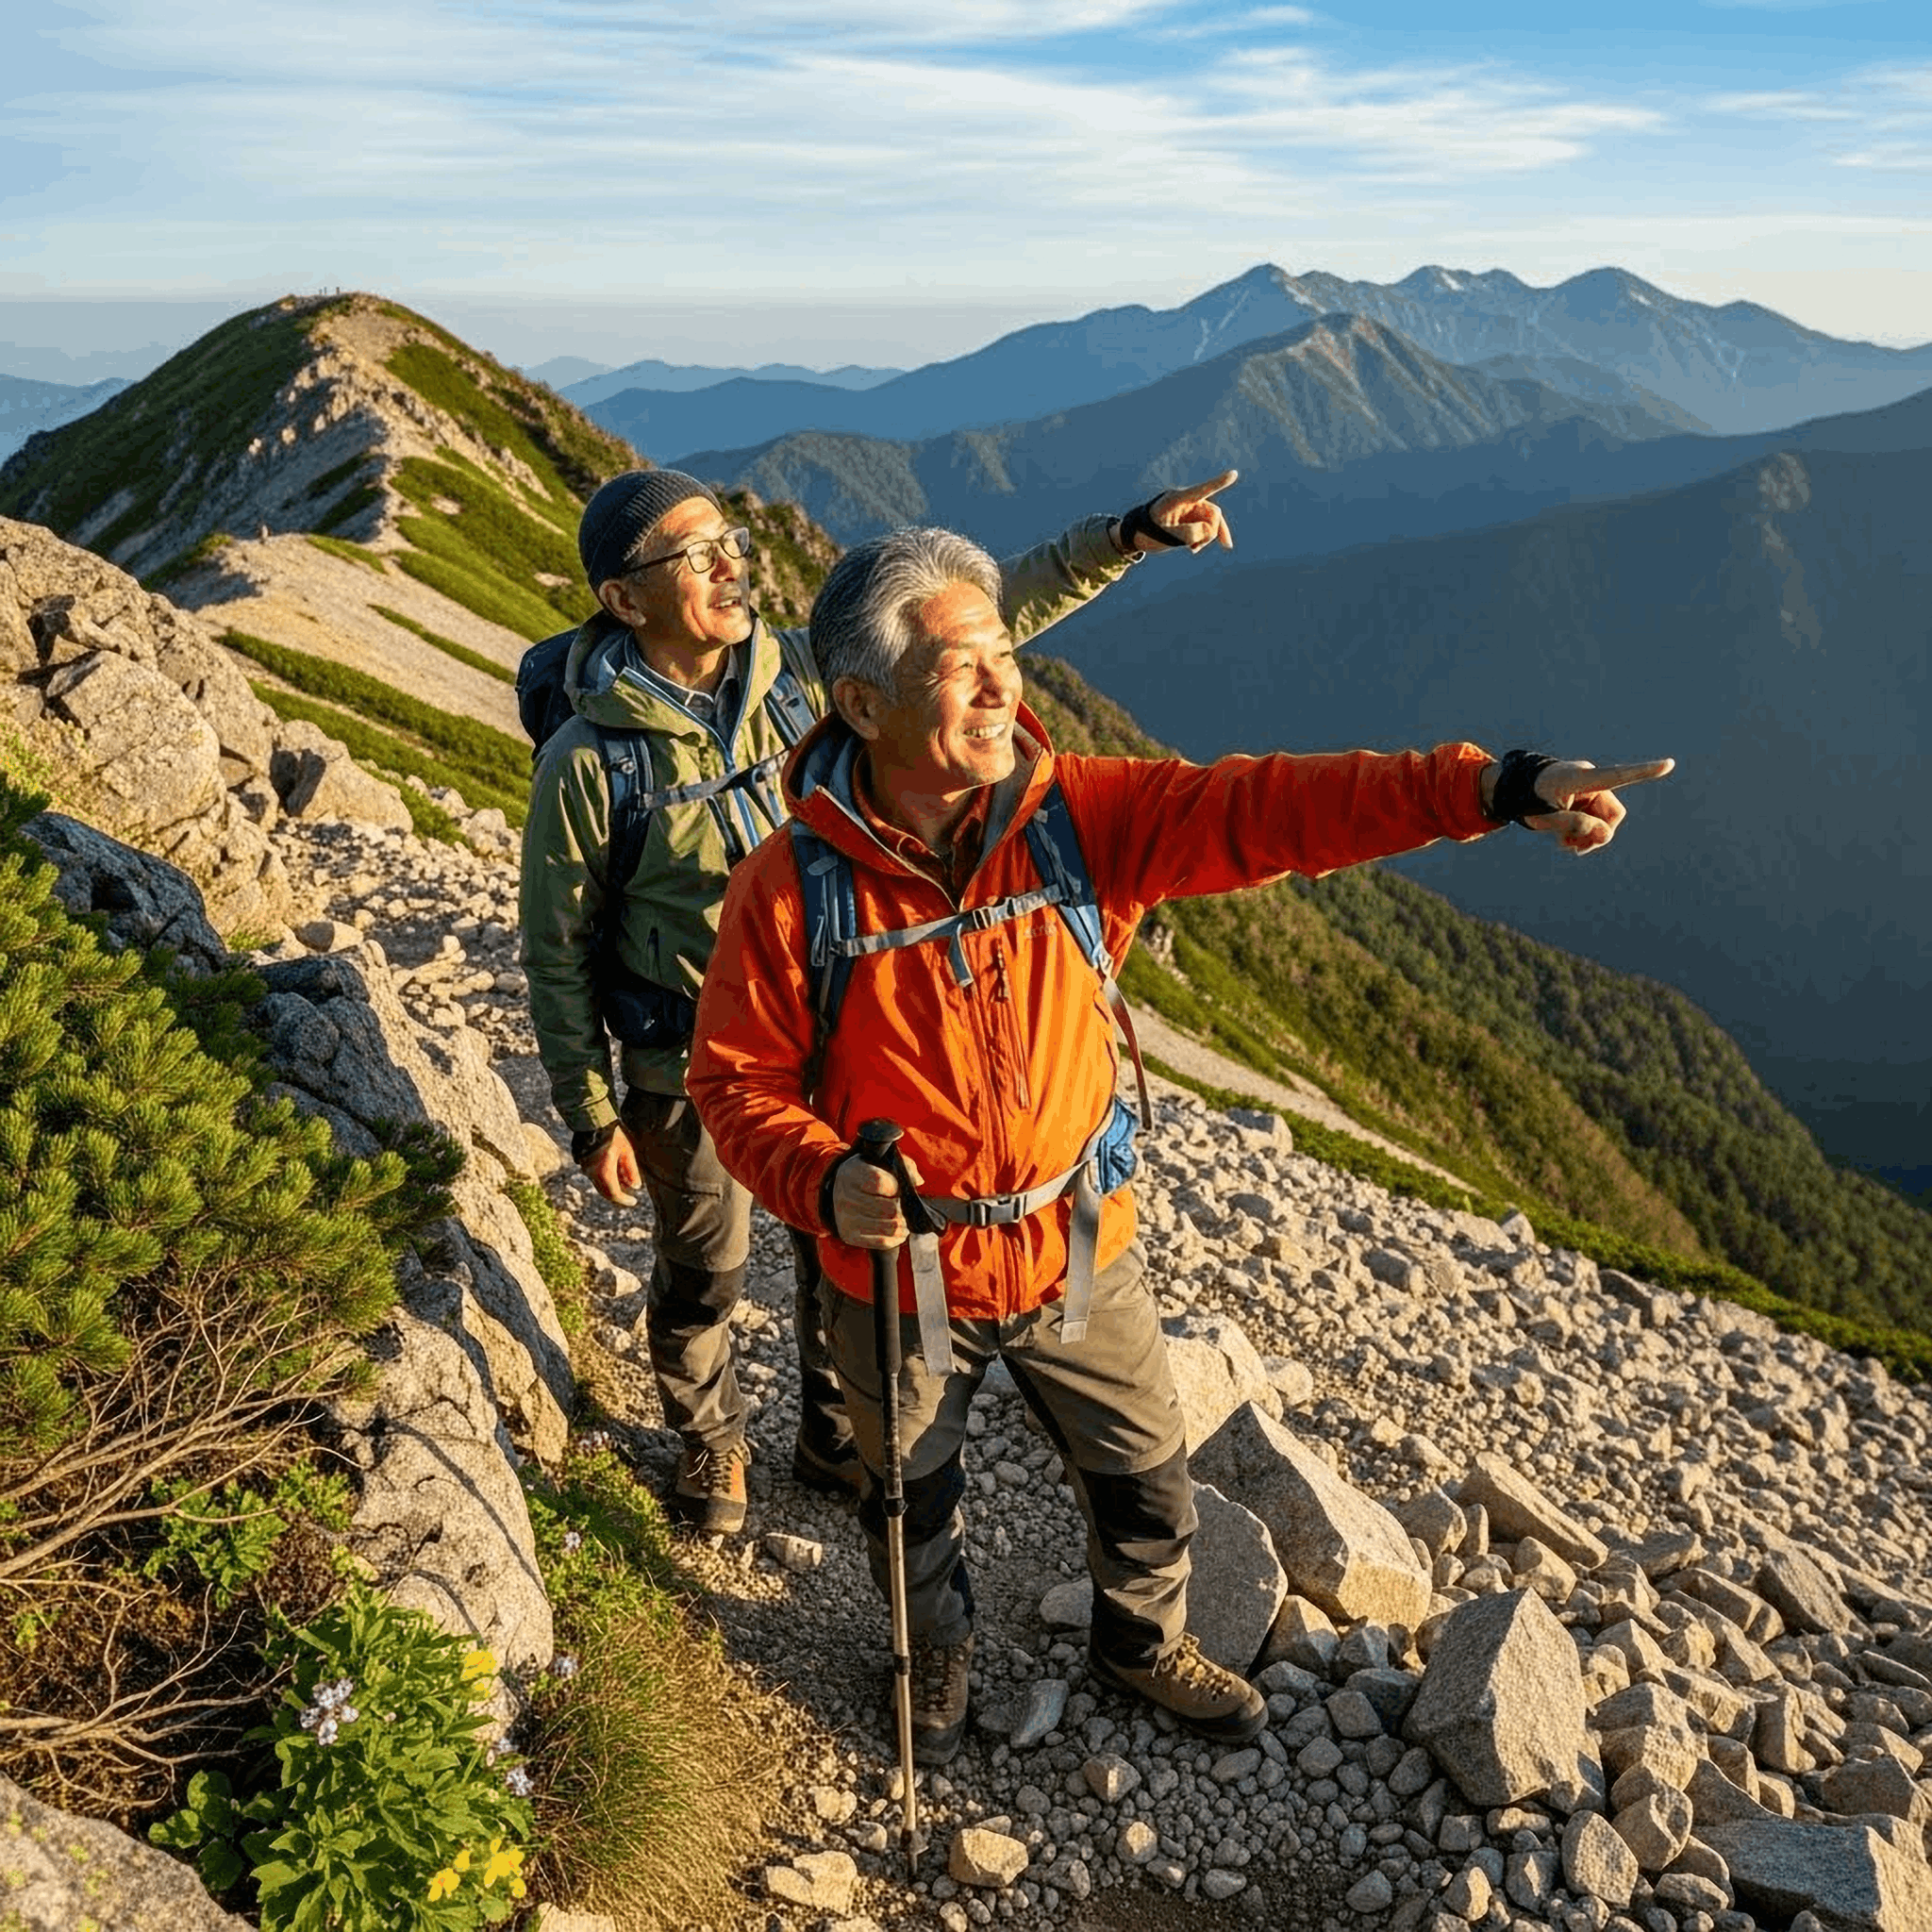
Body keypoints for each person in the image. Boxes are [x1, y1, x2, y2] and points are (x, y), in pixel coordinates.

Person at [686, 522, 1672, 1757]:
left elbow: (1274, 808)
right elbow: (734, 1081)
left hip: (1075, 1239)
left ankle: (1139, 1639)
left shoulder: (1080, 820)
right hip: (903, 1266)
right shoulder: (789, 888)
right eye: (958, 666)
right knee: (910, 1496)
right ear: (862, 703)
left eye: (1003, 655)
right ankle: (932, 1655)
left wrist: (1489, 789)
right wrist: (824, 1179)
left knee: (1145, 1468)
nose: (1000, 688)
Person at [519, 467, 1241, 1536]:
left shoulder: (800, 675)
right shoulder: (590, 761)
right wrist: (590, 1113)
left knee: (848, 1256)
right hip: (692, 1065)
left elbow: (984, 609)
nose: (729, 563)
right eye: (691, 555)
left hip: (843, 1048)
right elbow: (558, 944)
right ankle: (711, 1434)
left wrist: (1123, 537)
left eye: (728, 539)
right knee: (706, 1265)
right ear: (625, 598)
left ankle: (833, 1429)